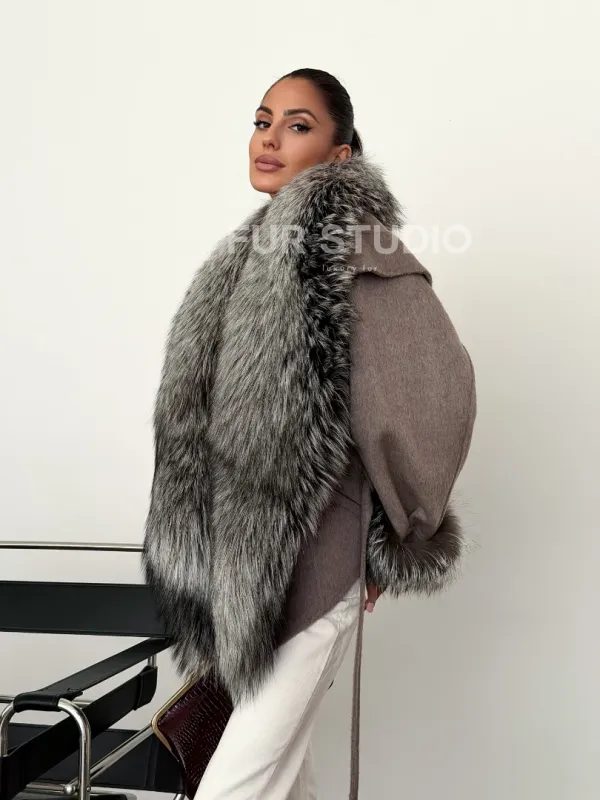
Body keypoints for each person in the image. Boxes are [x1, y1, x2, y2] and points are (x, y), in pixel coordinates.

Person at [142, 67, 477, 800]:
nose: (269, 139)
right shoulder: (247, 259)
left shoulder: (356, 252)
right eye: (263, 121)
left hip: (320, 558)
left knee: (234, 784)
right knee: (279, 779)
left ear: (339, 154)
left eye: (298, 126)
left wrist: (403, 532)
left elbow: (429, 396)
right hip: (247, 572)